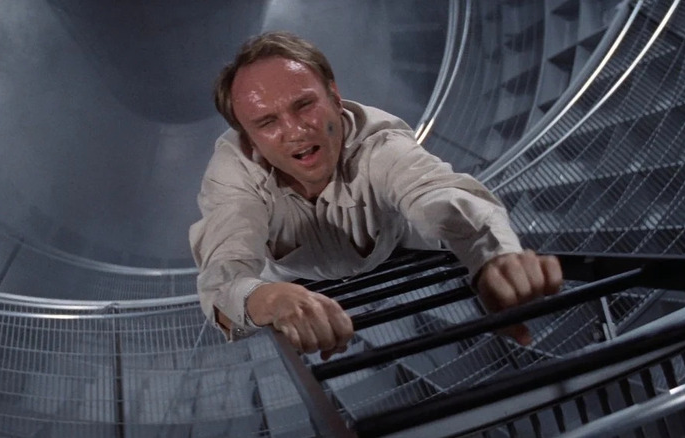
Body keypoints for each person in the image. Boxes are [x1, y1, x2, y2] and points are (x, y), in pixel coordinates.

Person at [189, 31, 562, 360]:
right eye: (267, 123)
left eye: (304, 105)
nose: (296, 130)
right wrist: (271, 299)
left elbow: (439, 195)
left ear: (334, 97)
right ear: (248, 139)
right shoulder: (232, 175)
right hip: (290, 276)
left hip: (393, 243)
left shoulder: (379, 143)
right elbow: (224, 275)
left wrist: (493, 258)